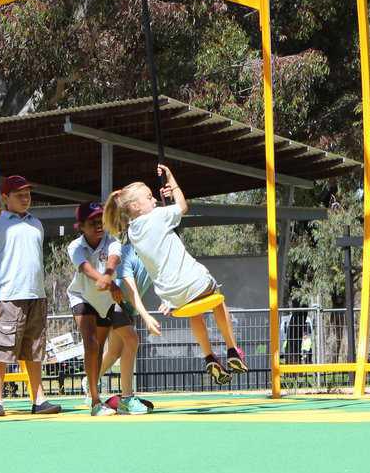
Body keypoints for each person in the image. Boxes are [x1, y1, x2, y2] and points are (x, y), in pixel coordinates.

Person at [102, 164, 247, 384]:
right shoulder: (158, 216)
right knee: (217, 299)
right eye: (149, 197)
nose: (153, 200)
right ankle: (232, 349)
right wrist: (172, 181)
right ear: (135, 206)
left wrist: (161, 203)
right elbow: (182, 206)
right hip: (196, 282)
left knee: (194, 312)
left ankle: (208, 356)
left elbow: (157, 223)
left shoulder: (132, 232)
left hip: (172, 297)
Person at [0, 175, 61, 417]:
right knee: (2, 348)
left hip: (36, 294)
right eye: (19, 195)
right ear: (5, 198)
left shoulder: (36, 224)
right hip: (8, 296)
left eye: (27, 194)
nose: (25, 199)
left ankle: (39, 399)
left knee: (35, 348)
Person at [67, 200, 139, 416]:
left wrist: (108, 278)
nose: (98, 225)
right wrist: (106, 280)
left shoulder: (112, 241)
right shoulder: (75, 246)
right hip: (83, 297)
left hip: (108, 299)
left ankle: (127, 397)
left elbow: (114, 259)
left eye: (101, 220)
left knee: (131, 339)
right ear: (80, 226)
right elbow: (85, 267)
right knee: (91, 345)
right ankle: (95, 401)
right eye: (92, 222)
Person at [95, 242, 161, 411]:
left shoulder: (156, 254)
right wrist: (146, 318)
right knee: (132, 340)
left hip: (128, 306)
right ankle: (126, 399)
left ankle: (90, 381)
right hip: (114, 301)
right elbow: (130, 291)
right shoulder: (127, 253)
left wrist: (169, 301)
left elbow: (166, 280)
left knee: (114, 351)